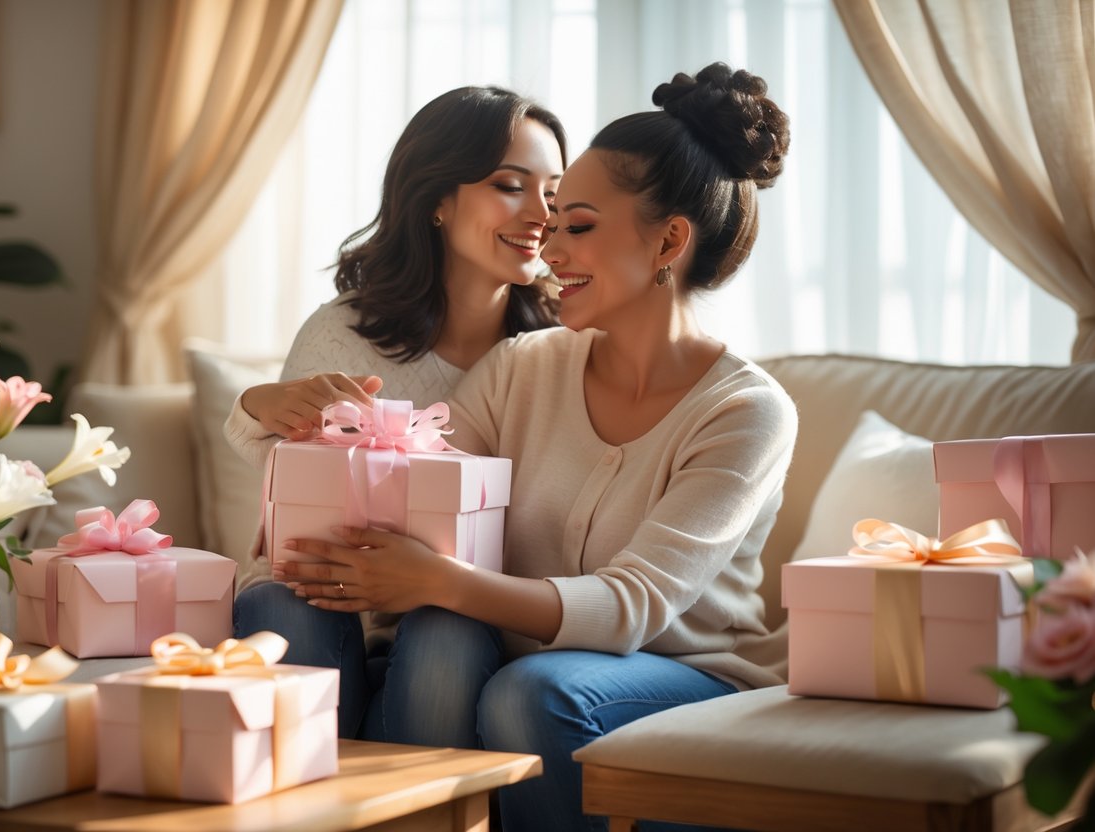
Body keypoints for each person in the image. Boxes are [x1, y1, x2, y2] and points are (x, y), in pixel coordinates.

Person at [278, 63, 796, 832]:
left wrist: (437, 579)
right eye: (551, 224)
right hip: (517, 666)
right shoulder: (520, 366)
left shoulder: (745, 412)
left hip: (683, 676)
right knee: (449, 636)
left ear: (669, 241)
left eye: (576, 225)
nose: (548, 246)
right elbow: (431, 490)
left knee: (532, 691)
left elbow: (631, 607)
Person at [224, 85, 567, 744]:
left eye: (554, 192)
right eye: (510, 185)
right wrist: (259, 405)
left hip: (463, 616)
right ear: (436, 199)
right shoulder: (344, 333)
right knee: (276, 602)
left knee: (448, 629)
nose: (541, 214)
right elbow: (287, 477)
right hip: (328, 601)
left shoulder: (559, 353)